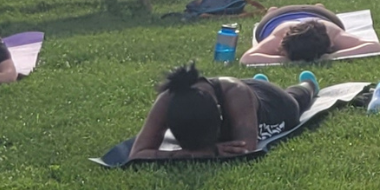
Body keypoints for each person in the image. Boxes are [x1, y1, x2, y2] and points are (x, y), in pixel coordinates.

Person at [129, 63, 318, 161]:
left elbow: (246, 149)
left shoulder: (236, 95)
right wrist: (194, 153)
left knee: (296, 100)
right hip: (242, 94)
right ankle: (260, 80)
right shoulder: (167, 99)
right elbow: (137, 154)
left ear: (220, 114)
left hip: (272, 103)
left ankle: (308, 85)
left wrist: (208, 151)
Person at [237, 3, 380, 64]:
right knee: (272, 11)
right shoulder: (280, 36)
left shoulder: (333, 34)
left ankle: (319, 6)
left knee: (319, 8)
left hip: (318, 14)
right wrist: (286, 60)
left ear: (330, 45)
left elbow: (377, 47)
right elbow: (246, 58)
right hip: (277, 17)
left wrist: (332, 56)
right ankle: (272, 10)